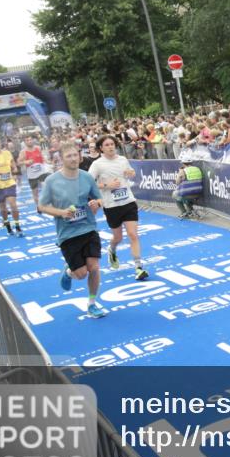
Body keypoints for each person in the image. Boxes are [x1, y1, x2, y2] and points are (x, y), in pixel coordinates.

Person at [37, 143, 108, 319]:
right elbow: (41, 206)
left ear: (80, 156)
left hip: (89, 228)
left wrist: (97, 203)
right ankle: (69, 272)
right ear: (61, 159)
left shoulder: (87, 177)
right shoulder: (52, 181)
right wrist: (62, 213)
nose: (73, 158)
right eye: (69, 156)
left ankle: (92, 304)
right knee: (81, 274)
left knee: (94, 267)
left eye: (75, 155)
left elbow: (100, 198)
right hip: (68, 234)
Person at [88, 135, 149, 281]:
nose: (110, 147)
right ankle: (112, 249)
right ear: (101, 148)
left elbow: (130, 173)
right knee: (118, 237)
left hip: (128, 202)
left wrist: (131, 173)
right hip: (111, 206)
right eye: (107, 145)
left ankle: (138, 267)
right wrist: (106, 186)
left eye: (112, 144)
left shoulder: (122, 159)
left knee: (133, 234)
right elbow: (88, 183)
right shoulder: (97, 164)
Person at [18, 135, 49, 208]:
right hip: (32, 175)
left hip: (42, 172)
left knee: (46, 187)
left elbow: (42, 157)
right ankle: (38, 206)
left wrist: (47, 161)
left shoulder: (38, 148)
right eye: (27, 140)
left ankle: (47, 203)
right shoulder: (23, 152)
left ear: (33, 140)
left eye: (30, 139)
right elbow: (19, 162)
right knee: (35, 192)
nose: (29, 141)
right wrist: (26, 162)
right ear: (25, 142)